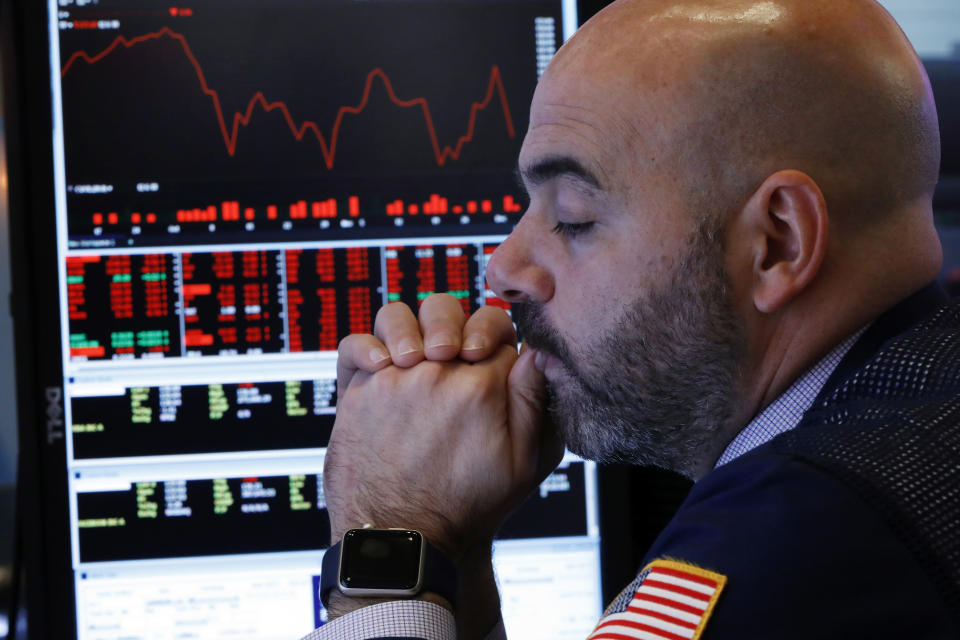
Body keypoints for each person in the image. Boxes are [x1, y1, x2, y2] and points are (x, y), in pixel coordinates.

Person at [302, 0, 960, 638]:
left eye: (574, 216)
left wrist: (388, 538)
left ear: (777, 243)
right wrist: (455, 556)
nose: (502, 268)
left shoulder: (797, 537)